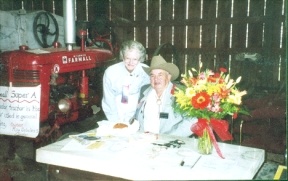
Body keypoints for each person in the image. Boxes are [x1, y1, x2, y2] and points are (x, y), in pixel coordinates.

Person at [135, 55, 197, 137]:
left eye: (160, 75)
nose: (156, 79)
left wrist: (169, 138)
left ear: (168, 76)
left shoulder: (179, 93)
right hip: (144, 140)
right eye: (152, 75)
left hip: (169, 143)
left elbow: (192, 121)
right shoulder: (144, 90)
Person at [102, 40, 150, 123]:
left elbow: (149, 94)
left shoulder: (145, 71)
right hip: (117, 112)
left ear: (140, 59)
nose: (131, 62)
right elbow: (108, 100)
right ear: (123, 57)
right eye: (128, 58)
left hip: (138, 113)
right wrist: (115, 122)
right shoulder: (111, 72)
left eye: (135, 59)